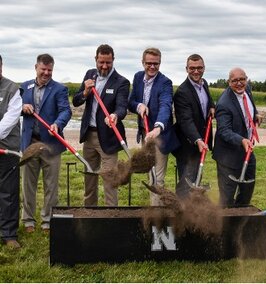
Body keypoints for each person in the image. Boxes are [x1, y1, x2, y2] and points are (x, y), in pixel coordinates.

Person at [73, 44, 130, 206]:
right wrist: (85, 92)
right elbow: (76, 101)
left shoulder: (121, 82)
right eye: (101, 62)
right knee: (89, 177)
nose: (104, 66)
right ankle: (90, 213)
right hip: (89, 136)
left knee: (110, 180)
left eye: (108, 62)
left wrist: (115, 115)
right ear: (96, 60)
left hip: (108, 137)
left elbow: (121, 107)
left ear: (113, 60)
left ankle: (111, 216)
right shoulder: (89, 75)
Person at [21, 54, 72, 232]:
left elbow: (66, 111)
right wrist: (22, 107)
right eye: (43, 69)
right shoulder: (24, 87)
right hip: (30, 143)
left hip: (51, 144)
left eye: (49, 70)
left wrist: (57, 124)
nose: (46, 73)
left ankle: (47, 221)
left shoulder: (60, 89)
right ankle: (28, 220)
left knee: (51, 185)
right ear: (36, 67)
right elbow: (14, 108)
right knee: (28, 184)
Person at [128, 47, 179, 205]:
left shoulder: (165, 83)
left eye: (155, 64)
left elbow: (165, 106)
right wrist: (139, 106)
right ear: (143, 62)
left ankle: (157, 218)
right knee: (150, 175)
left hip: (160, 137)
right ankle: (157, 210)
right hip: (145, 135)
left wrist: (158, 127)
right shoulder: (137, 78)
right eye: (148, 63)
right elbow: (130, 102)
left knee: (157, 178)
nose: (152, 67)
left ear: (160, 63)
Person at [212, 67, 262, 207]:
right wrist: (241, 140)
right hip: (228, 156)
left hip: (247, 151)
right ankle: (224, 225)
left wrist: (255, 114)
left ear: (246, 79)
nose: (239, 83)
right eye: (235, 81)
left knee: (247, 191)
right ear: (229, 82)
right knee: (227, 198)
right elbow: (224, 131)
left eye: (242, 79)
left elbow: (249, 103)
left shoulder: (247, 89)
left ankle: (240, 220)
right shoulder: (224, 104)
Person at [173, 54, 215, 198]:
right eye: (192, 68)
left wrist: (212, 107)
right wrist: (197, 139)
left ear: (204, 68)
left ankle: (194, 213)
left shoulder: (204, 84)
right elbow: (185, 120)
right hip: (188, 146)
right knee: (186, 184)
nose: (196, 71)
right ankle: (182, 214)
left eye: (199, 68)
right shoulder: (182, 92)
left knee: (196, 179)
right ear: (186, 69)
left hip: (201, 143)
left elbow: (206, 102)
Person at [0, 55, 22, 248]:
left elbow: (11, 118)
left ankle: (9, 234)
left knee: (8, 192)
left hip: (7, 149)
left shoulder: (12, 89)